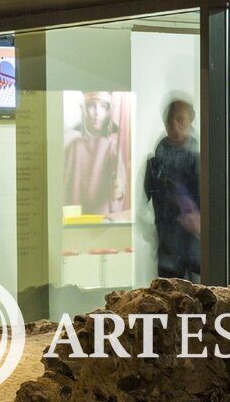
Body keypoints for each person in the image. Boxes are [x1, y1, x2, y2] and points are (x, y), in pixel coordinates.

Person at [142, 97, 200, 281]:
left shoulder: (200, 160)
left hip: (197, 248)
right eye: (170, 120)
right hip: (168, 251)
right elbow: (145, 204)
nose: (174, 125)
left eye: (180, 119)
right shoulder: (155, 163)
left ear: (190, 122)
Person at [62, 90, 129, 217]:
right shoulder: (73, 146)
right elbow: (63, 186)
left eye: (103, 106)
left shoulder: (111, 147)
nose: (97, 113)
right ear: (84, 110)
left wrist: (118, 189)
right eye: (92, 105)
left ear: (108, 112)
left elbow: (119, 178)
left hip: (100, 219)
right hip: (74, 218)